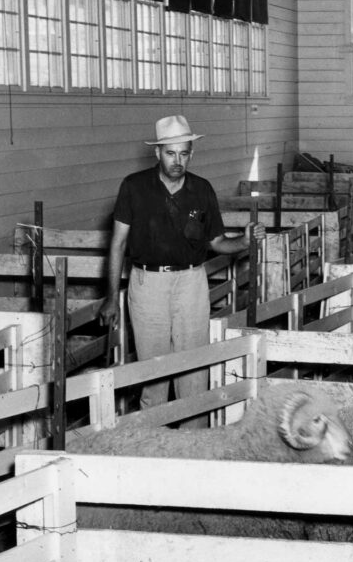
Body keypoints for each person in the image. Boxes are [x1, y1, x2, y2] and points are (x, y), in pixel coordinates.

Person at [100, 115, 264, 427]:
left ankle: (194, 444)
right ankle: (153, 441)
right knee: (153, 369)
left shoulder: (201, 190)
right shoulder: (134, 187)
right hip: (148, 282)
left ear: (192, 153)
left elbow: (216, 242)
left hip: (191, 281)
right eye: (171, 153)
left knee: (194, 366)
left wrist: (244, 240)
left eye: (184, 153)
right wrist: (111, 299)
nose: (178, 161)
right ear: (157, 153)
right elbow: (118, 244)